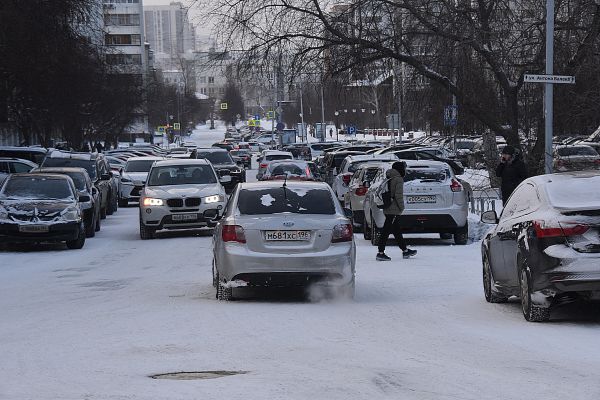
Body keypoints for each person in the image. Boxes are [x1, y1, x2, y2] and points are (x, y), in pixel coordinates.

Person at [376, 161, 417, 261]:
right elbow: (398, 195)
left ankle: (405, 250)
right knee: (386, 230)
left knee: (396, 230)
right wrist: (401, 207)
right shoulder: (398, 179)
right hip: (393, 209)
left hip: (388, 206)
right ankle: (380, 253)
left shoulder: (389, 177)